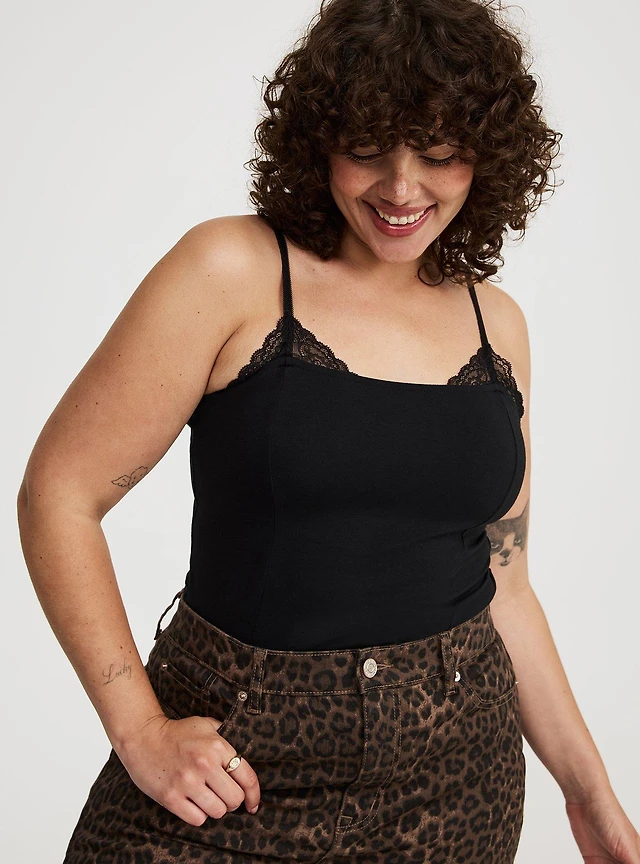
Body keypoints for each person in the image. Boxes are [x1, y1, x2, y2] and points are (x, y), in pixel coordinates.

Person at [16, 0, 640, 862]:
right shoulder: (231, 270)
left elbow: (507, 587)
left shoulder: (497, 326)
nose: (400, 187)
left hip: (458, 778)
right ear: (318, 142)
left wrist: (591, 795)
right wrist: (139, 729)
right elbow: (59, 494)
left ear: (488, 156)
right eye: (368, 147)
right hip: (237, 762)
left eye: (438, 154)